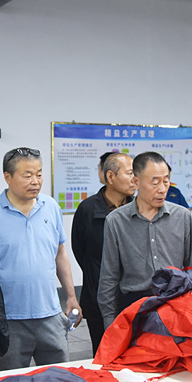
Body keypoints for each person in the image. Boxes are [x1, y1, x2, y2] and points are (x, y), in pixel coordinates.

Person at [0, 147, 82, 370]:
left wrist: (71, 296)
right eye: (27, 175)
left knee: (58, 374)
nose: (36, 181)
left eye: (39, 174)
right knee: (11, 376)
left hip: (51, 314)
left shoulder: (51, 207)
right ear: (8, 177)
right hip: (9, 318)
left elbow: (60, 253)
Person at [98, 151, 192, 329]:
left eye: (166, 181)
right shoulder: (116, 221)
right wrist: (109, 321)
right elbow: (109, 276)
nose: (162, 189)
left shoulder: (182, 216)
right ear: (136, 182)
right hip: (135, 308)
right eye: (155, 182)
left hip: (176, 305)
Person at [71, 153, 136, 356]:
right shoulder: (88, 209)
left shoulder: (139, 208)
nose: (135, 179)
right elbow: (79, 249)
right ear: (110, 176)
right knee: (104, 353)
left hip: (133, 297)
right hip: (98, 296)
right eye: (130, 173)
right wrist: (97, 273)